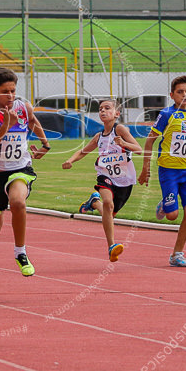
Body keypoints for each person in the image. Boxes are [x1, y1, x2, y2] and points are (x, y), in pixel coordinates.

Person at [0, 66, 51, 287]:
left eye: (13, 90)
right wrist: (6, 125)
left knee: (18, 202)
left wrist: (45, 144)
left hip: (20, 169)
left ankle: (20, 252)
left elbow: (33, 121)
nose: (10, 95)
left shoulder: (23, 107)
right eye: (5, 91)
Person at [137, 75, 186, 268]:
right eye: (180, 92)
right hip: (168, 170)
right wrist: (145, 169)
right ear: (172, 95)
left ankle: (177, 254)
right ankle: (165, 205)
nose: (184, 95)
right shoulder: (166, 114)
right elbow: (150, 140)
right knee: (172, 215)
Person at [62, 99, 139, 262]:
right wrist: (70, 160)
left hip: (124, 179)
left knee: (110, 213)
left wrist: (123, 143)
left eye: (107, 108)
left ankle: (94, 202)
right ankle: (112, 246)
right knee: (109, 205)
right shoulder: (99, 136)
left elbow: (139, 149)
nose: (103, 111)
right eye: (100, 109)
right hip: (105, 175)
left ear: (117, 114)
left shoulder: (120, 129)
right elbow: (83, 151)